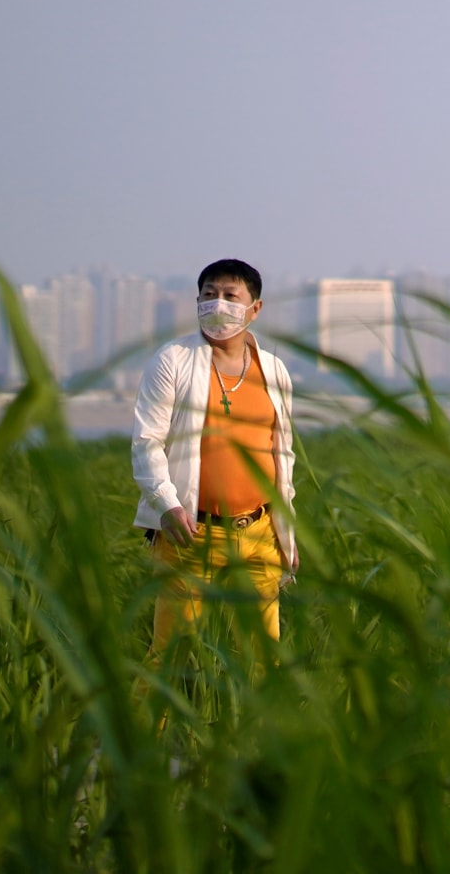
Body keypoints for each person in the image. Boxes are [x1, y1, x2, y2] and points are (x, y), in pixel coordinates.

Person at [132, 258, 297, 654]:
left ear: (254, 309)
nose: (217, 304)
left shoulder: (274, 370)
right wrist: (167, 506)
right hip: (192, 533)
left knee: (263, 660)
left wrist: (285, 533)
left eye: (229, 296)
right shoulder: (172, 360)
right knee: (170, 658)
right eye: (209, 295)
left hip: (259, 534)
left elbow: (282, 454)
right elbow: (146, 441)